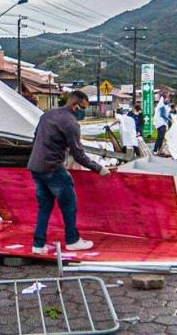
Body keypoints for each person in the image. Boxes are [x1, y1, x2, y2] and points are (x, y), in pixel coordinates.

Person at [27, 90, 110, 254]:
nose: (83, 113)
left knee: (45, 207)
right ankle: (72, 240)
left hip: (36, 167)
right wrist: (99, 168)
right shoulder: (71, 123)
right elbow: (78, 154)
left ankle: (38, 245)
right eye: (83, 108)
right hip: (53, 168)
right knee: (69, 205)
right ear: (74, 105)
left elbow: (36, 138)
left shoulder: (47, 115)